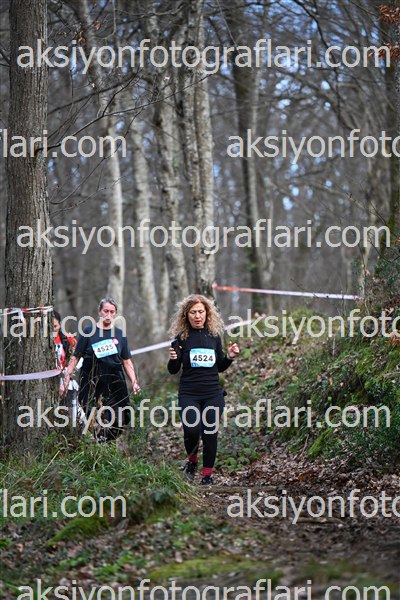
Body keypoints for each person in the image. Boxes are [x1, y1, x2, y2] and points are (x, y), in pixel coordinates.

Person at [167, 294, 239, 485]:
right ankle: (192, 461)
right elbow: (173, 370)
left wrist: (230, 357)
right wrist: (173, 359)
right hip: (189, 393)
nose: (197, 316)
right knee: (192, 430)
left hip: (212, 393)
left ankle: (207, 476)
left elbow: (220, 366)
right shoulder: (181, 339)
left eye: (201, 311)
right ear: (186, 315)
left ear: (207, 313)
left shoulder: (214, 337)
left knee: (210, 433)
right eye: (193, 312)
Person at [63, 297, 140, 441]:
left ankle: (108, 442)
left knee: (119, 419)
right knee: (96, 417)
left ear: (115, 313)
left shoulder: (120, 334)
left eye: (112, 312)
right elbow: (76, 356)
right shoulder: (88, 332)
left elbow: (126, 360)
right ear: (99, 312)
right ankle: (100, 442)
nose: (108, 314)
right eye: (106, 311)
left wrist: (134, 382)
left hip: (114, 381)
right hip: (92, 381)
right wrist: (67, 376)